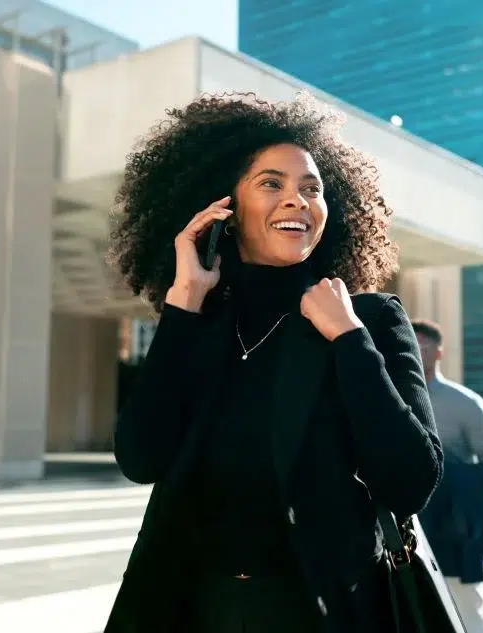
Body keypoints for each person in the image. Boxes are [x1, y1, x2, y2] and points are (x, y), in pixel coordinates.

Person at [102, 92, 444, 633]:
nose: (297, 200)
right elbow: (141, 459)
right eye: (271, 184)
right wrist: (184, 298)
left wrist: (349, 340)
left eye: (312, 188)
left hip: (326, 614)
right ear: (226, 209)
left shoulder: (370, 320)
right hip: (187, 610)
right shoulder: (198, 321)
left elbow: (410, 482)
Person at [412, 319, 483, 633]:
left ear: (439, 353)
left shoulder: (465, 403)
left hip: (455, 528)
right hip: (407, 529)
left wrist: (450, 478)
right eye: (409, 342)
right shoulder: (391, 399)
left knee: (468, 612)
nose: (416, 350)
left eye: (423, 345)